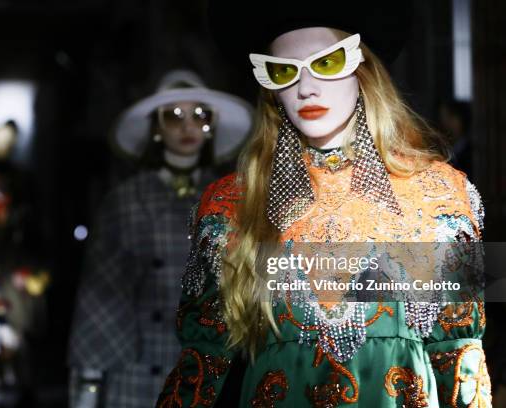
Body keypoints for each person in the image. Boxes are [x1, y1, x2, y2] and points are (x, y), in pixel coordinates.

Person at [157, 3, 491, 407]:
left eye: (327, 63)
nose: (306, 87)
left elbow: (459, 357)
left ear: (362, 70)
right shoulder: (230, 205)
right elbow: (201, 362)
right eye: (284, 70)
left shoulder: (439, 195)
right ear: (271, 86)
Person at [68, 70, 253, 408]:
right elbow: (101, 290)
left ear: (211, 125)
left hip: (206, 360)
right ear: (156, 129)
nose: (187, 127)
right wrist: (89, 380)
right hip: (137, 363)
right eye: (173, 116)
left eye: (199, 115)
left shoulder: (230, 197)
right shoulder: (125, 200)